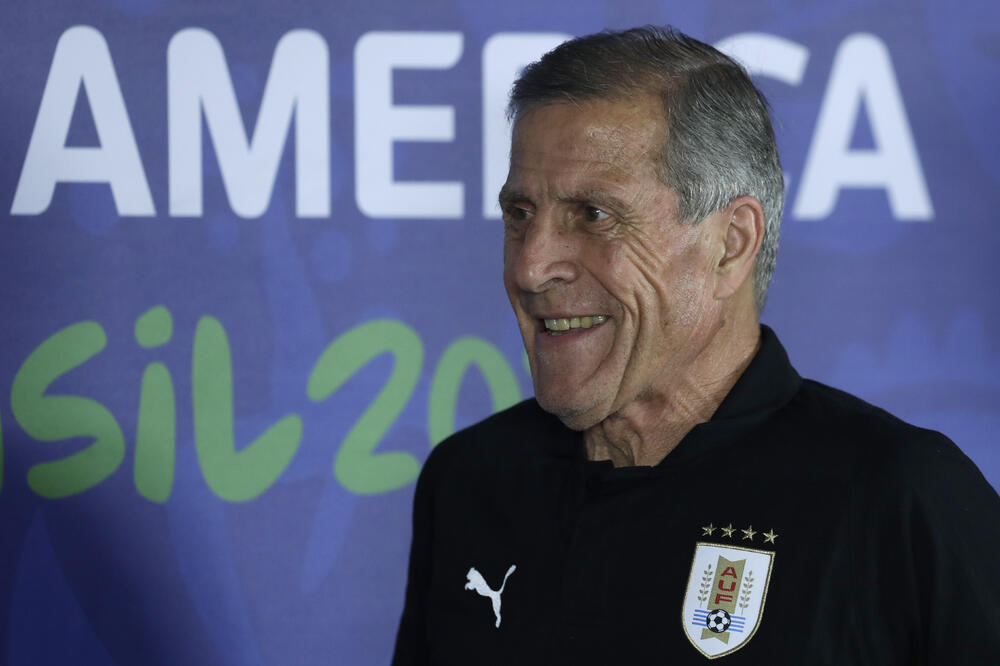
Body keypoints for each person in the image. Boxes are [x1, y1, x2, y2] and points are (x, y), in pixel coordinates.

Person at [391, 26, 1000, 665]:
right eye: (519, 215)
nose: (531, 267)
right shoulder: (469, 482)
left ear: (730, 244)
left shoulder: (900, 499)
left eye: (594, 215)